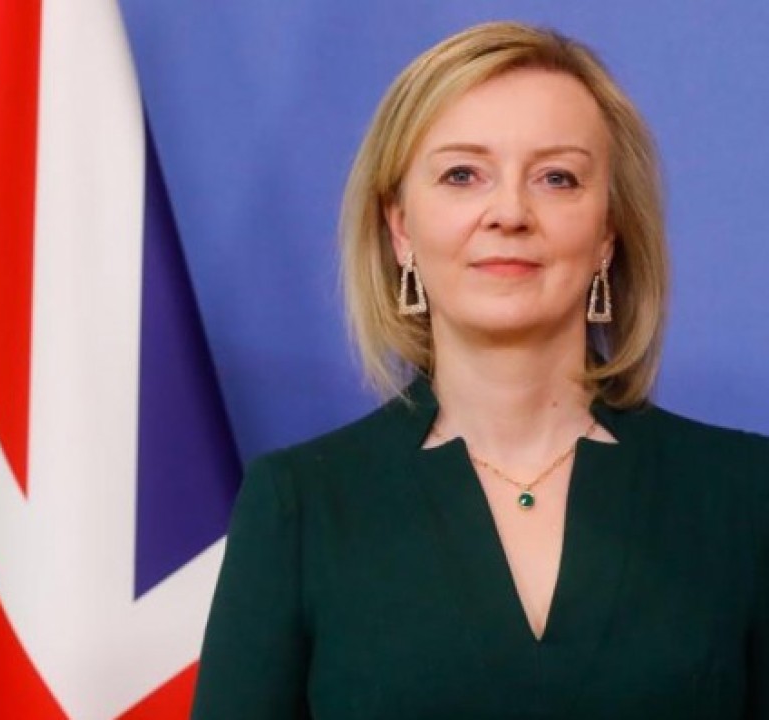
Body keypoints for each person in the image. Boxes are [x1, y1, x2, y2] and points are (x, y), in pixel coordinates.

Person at [190, 20, 769, 719]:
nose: (510, 212)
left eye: (557, 178)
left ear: (607, 235)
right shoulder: (299, 508)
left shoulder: (747, 496)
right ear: (401, 227)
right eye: (463, 175)